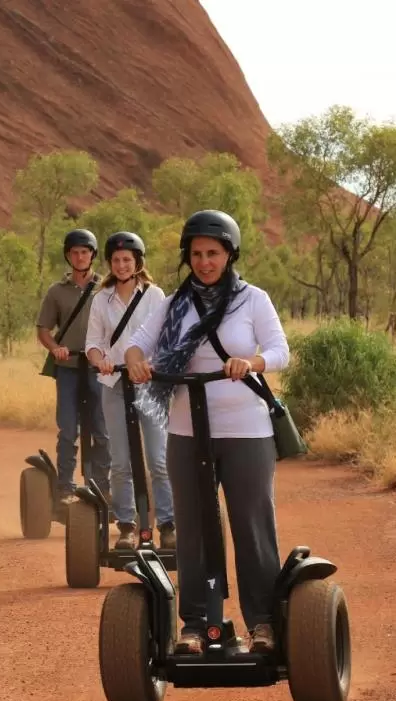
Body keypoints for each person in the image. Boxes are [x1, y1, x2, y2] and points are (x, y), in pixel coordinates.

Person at [124, 209, 290, 657]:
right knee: (194, 527)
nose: (204, 262)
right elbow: (138, 339)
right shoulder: (173, 302)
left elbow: (279, 351)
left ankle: (262, 623)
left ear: (230, 254)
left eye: (213, 253)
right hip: (187, 429)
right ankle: (198, 625)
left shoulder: (252, 299)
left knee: (252, 526)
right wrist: (138, 359)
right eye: (196, 254)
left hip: (246, 431)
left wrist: (250, 363)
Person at [84, 231, 176, 550]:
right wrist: (101, 363)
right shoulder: (101, 299)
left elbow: (166, 339)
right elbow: (92, 344)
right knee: (120, 461)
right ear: (109, 263)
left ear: (138, 262)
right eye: (116, 260)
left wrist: (153, 364)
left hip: (148, 386)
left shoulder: (154, 295)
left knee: (158, 458)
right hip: (113, 384)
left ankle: (168, 524)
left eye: (128, 259)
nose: (122, 265)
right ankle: (125, 526)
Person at [36, 229, 111, 505]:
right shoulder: (57, 291)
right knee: (68, 429)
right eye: (75, 252)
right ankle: (65, 488)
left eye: (85, 252)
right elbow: (43, 329)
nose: (80, 256)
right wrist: (55, 347)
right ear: (68, 256)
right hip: (67, 367)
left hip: (98, 369)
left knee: (102, 429)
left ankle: (102, 487)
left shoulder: (107, 288)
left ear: (93, 255)